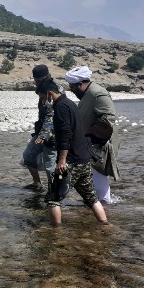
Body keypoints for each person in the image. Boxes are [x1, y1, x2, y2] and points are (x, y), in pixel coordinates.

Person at [37, 78, 108, 227]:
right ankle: (105, 225)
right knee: (91, 198)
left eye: (43, 98)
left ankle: (56, 234)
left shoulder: (61, 108)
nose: (43, 102)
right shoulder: (70, 104)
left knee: (53, 198)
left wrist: (62, 161)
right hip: (84, 159)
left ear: (50, 94)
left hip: (70, 162)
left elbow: (65, 135)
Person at [64, 66, 120, 204]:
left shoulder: (98, 94)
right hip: (90, 143)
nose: (70, 88)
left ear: (81, 84)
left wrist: (91, 139)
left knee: (99, 174)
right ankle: (97, 205)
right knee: (92, 175)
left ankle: (105, 206)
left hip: (100, 143)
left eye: (72, 85)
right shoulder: (87, 94)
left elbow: (109, 117)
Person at [20, 64, 57, 191]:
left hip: (52, 136)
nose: (36, 83)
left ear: (46, 77)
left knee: (50, 165)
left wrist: (42, 136)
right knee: (28, 156)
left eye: (38, 81)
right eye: (35, 81)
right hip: (41, 132)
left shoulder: (52, 91)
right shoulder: (42, 89)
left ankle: (55, 191)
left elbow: (51, 117)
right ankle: (37, 183)